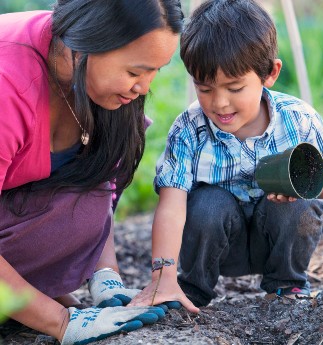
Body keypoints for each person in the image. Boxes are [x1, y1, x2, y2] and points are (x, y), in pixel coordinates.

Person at [129, 0, 323, 312]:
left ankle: (287, 286)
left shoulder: (299, 120)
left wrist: (298, 185)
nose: (220, 103)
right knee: (206, 202)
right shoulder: (190, 129)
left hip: (275, 238)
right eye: (204, 89)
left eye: (234, 88)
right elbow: (172, 205)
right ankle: (191, 289)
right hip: (216, 242)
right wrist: (162, 274)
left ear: (270, 73)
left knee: (301, 205)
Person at [0, 0, 184, 343]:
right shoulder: (8, 84)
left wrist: (106, 276)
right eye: (135, 72)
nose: (144, 87)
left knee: (81, 207)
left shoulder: (96, 86)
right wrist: (61, 322)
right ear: (85, 46)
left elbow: (97, 189)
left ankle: (26, 301)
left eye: (155, 70)